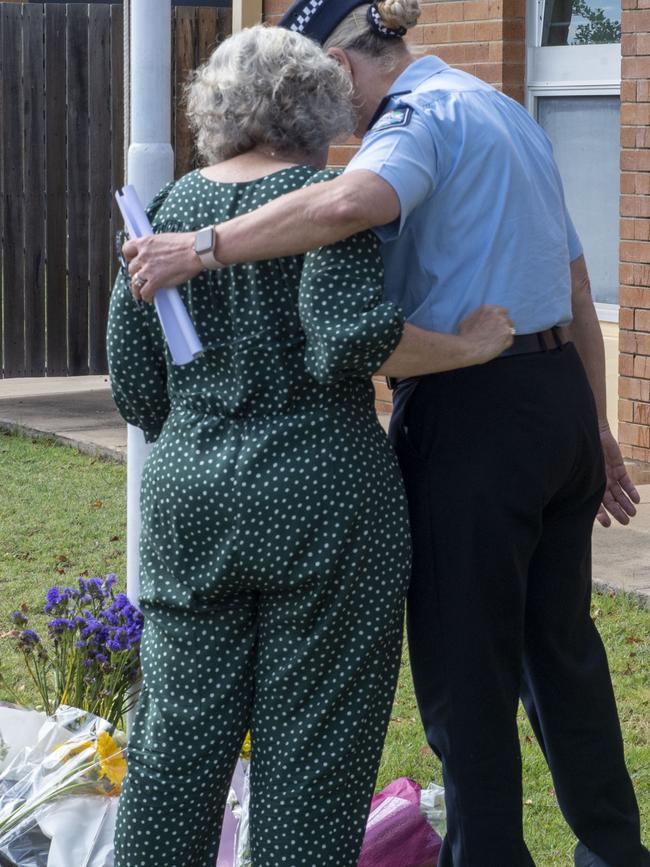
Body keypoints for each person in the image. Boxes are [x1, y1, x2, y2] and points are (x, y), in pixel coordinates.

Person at [122, 3, 650, 865]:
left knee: (465, 675)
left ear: (344, 65)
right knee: (563, 653)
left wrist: (203, 245)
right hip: (554, 396)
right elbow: (574, 273)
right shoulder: (502, 111)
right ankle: (615, 851)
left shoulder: (411, 120)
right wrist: (596, 427)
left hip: (472, 409)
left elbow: (351, 207)